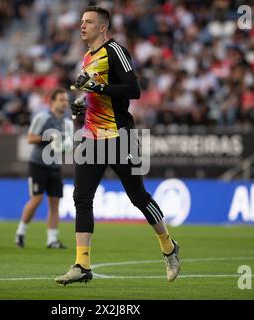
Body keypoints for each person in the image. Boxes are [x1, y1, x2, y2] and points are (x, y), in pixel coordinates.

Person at [55, 6, 180, 285]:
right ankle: (82, 265)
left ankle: (168, 246)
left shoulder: (115, 51)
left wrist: (97, 89)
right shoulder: (87, 57)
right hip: (91, 136)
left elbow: (133, 90)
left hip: (119, 135)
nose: (82, 26)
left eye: (88, 22)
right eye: (81, 21)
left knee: (138, 197)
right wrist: (82, 103)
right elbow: (96, 94)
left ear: (102, 27)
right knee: (81, 198)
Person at [15, 88, 73, 249]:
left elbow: (67, 146)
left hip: (55, 165)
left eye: (66, 100)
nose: (64, 103)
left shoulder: (68, 123)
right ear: (52, 102)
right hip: (38, 164)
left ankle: (52, 240)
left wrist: (66, 146)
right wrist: (49, 137)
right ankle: (20, 232)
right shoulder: (42, 117)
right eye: (61, 100)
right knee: (36, 199)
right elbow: (30, 138)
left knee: (55, 203)